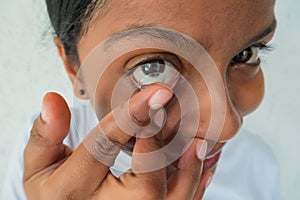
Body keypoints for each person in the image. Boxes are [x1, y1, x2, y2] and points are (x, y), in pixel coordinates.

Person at [1, 0, 279, 199]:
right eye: (153, 67)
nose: (228, 126)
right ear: (75, 67)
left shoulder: (258, 166)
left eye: (247, 53)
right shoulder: (45, 171)